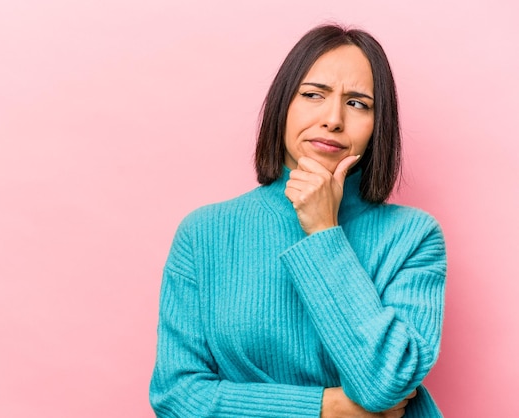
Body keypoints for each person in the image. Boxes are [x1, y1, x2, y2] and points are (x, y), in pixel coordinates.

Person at [150, 24, 446, 417]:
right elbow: (176, 396)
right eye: (313, 95)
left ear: (379, 126)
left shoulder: (413, 236)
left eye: (358, 103)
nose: (333, 119)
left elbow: (383, 385)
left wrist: (324, 231)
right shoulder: (204, 233)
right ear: (282, 105)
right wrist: (324, 408)